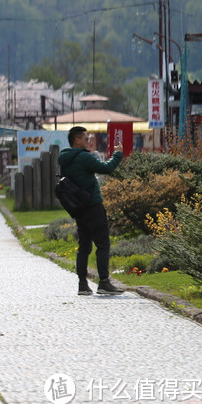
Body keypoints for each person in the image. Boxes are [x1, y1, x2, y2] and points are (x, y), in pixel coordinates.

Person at [58, 126, 125, 296]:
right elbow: (106, 168)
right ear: (77, 140)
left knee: (84, 246)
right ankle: (103, 282)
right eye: (85, 138)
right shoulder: (83, 158)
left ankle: (82, 284)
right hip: (92, 205)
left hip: (79, 207)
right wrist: (117, 153)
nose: (88, 141)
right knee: (102, 243)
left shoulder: (65, 158)